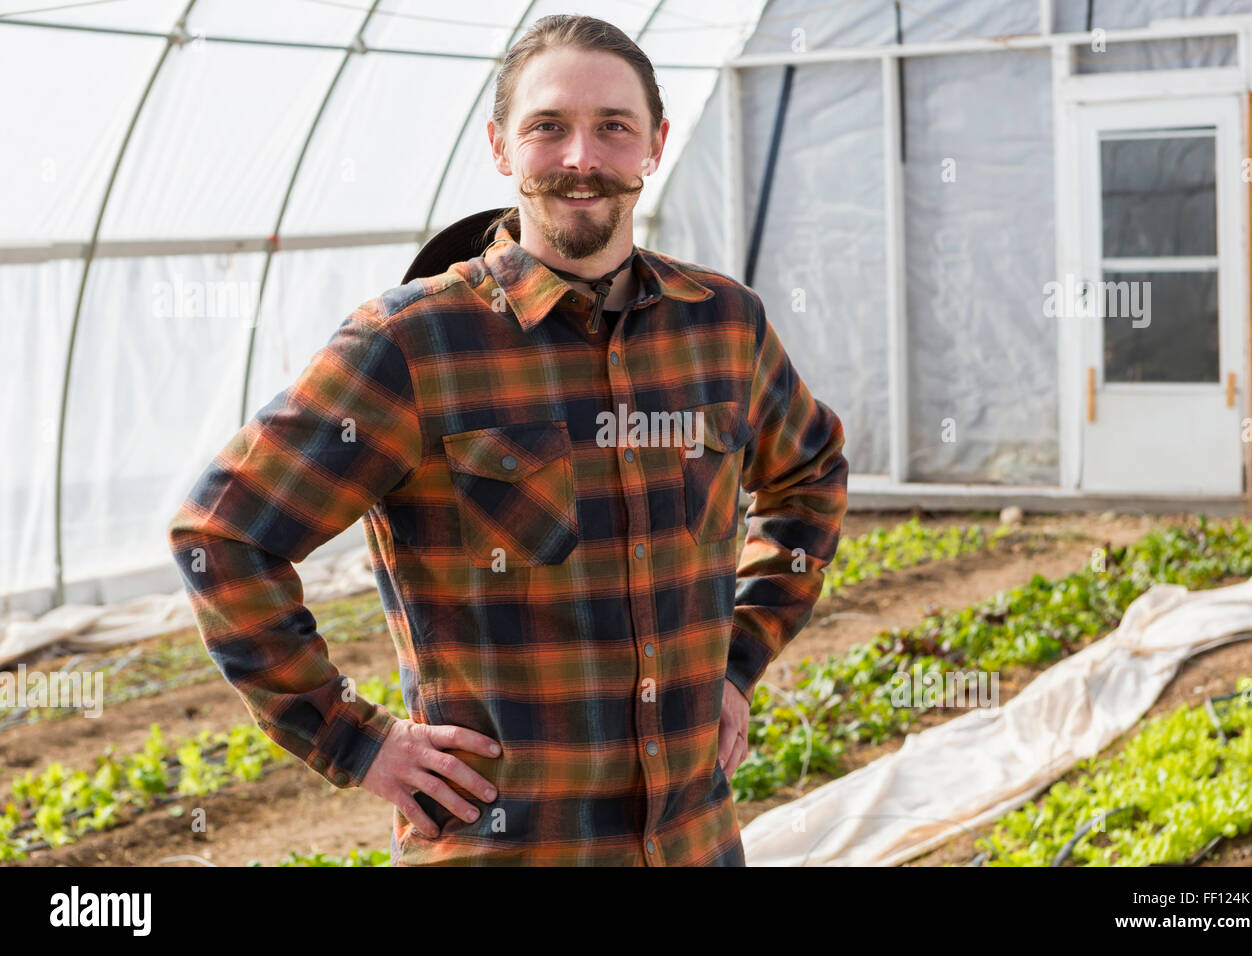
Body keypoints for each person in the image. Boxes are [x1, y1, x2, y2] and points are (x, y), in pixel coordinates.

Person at [167, 13, 848, 866]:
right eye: (547, 127)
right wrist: (352, 738)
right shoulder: (414, 344)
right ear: (500, 147)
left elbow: (809, 475)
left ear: (654, 146)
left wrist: (740, 659)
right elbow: (222, 535)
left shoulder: (722, 327)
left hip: (691, 841)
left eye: (613, 128)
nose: (580, 158)